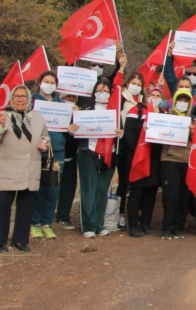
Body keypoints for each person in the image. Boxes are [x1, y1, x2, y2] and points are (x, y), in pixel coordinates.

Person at [0, 85, 48, 252]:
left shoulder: (38, 118)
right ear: (12, 99)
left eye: (23, 96)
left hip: (29, 169)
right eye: (17, 96)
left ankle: (20, 240)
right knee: (3, 207)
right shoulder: (2, 116)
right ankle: (0, 242)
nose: (20, 99)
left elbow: (45, 136)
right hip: (7, 170)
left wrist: (45, 143)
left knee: (26, 207)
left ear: (29, 99)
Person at [68, 78, 125, 238]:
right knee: (88, 190)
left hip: (109, 154)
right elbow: (73, 131)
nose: (103, 94)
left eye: (106, 91)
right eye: (99, 90)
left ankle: (99, 224)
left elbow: (120, 131)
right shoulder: (84, 108)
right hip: (88, 152)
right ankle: (88, 225)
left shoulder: (114, 109)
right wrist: (72, 130)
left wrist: (121, 134)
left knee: (102, 190)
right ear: (93, 92)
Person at [29, 72, 68, 240]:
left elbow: (68, 127)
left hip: (57, 150)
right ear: (40, 83)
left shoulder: (62, 104)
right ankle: (35, 223)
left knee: (53, 188)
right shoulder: (32, 102)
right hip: (38, 151)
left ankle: (47, 222)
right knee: (38, 188)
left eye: (52, 82)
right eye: (46, 81)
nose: (49, 84)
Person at [158, 89, 196, 239]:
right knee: (171, 195)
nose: (183, 103)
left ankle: (178, 226)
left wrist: (192, 131)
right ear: (175, 101)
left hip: (187, 162)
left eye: (186, 100)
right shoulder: (166, 117)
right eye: (180, 100)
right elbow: (157, 134)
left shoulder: (194, 119)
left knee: (183, 196)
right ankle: (167, 227)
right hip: (169, 160)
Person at [126, 85, 165, 237]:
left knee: (151, 193)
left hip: (156, 159)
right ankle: (134, 225)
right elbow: (129, 135)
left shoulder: (164, 113)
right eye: (152, 95)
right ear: (146, 95)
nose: (154, 98)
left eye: (158, 96)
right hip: (139, 157)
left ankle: (145, 223)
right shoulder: (136, 110)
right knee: (136, 193)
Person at [114, 70, 145, 230]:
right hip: (125, 147)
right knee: (124, 183)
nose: (136, 86)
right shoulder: (120, 99)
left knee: (138, 183)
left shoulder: (143, 102)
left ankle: (136, 214)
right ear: (127, 83)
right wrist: (121, 67)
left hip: (140, 148)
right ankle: (120, 215)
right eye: (133, 83)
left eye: (139, 85)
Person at [53, 91, 81, 230]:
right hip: (55, 157)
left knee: (68, 188)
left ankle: (63, 216)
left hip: (71, 157)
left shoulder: (79, 114)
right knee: (51, 187)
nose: (70, 99)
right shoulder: (54, 111)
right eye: (67, 96)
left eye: (73, 97)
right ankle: (45, 216)